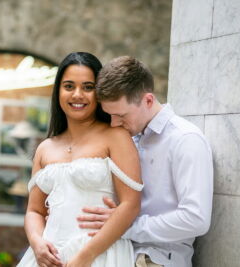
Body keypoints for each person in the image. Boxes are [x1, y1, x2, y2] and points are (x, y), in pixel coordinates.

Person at [77, 56, 213, 267]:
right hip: (117, 254)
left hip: (155, 260)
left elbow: (196, 219)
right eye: (110, 115)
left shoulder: (186, 139)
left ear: (148, 100)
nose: (114, 124)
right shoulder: (127, 137)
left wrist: (124, 226)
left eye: (121, 115)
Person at [17, 52, 144, 267]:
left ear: (100, 92)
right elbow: (35, 211)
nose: (78, 95)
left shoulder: (116, 136)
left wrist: (85, 257)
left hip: (99, 255)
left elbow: (131, 204)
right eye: (69, 86)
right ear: (58, 90)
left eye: (88, 87)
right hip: (49, 257)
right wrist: (38, 243)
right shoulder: (45, 148)